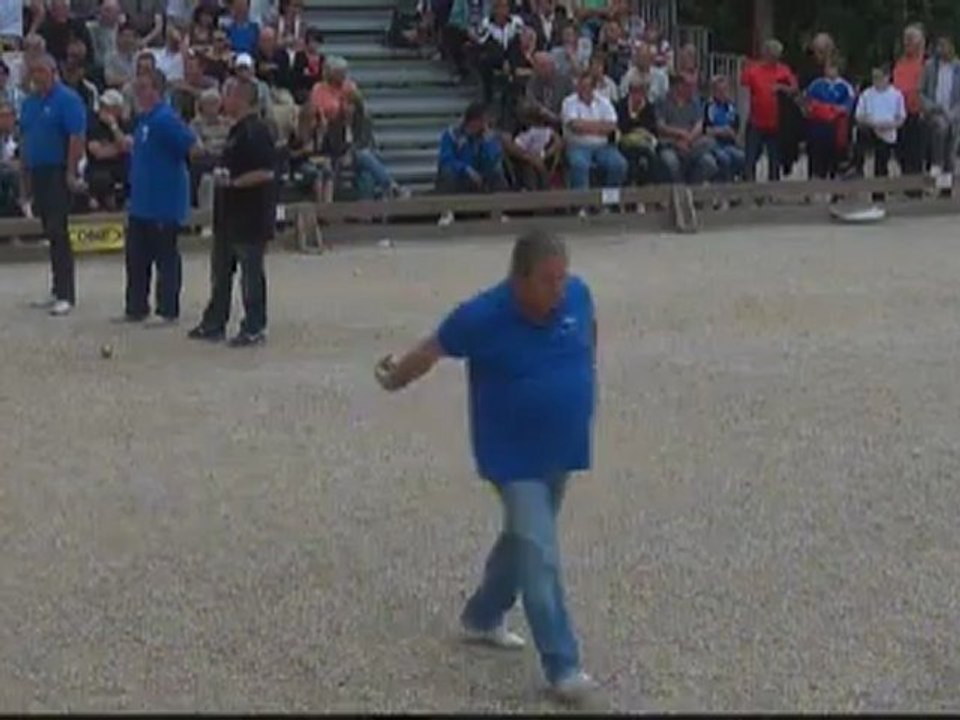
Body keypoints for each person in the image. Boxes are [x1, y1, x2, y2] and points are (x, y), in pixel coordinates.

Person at [374, 229, 600, 706]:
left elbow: (588, 338)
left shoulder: (578, 297)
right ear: (519, 279)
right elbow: (431, 350)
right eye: (548, 280)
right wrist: (393, 378)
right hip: (511, 456)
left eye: (562, 277)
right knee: (539, 551)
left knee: (523, 540)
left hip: (562, 449)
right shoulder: (482, 316)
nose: (559, 289)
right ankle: (563, 666)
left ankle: (482, 616)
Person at [189, 75, 277, 348]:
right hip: (228, 215)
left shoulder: (257, 131)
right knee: (221, 273)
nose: (225, 101)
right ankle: (214, 322)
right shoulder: (236, 131)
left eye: (229, 95)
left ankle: (254, 327)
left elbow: (266, 172)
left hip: (250, 216)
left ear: (242, 99)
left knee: (250, 276)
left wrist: (234, 183)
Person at [123, 68, 196, 324]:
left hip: (163, 202)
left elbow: (189, 143)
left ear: (157, 90)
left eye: (144, 88)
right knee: (136, 258)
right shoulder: (144, 120)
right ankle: (136, 307)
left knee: (165, 258)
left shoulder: (165, 118)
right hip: (141, 203)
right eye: (138, 88)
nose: (139, 93)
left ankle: (167, 310)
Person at [20, 53, 86, 317]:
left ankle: (66, 293)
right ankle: (57, 288)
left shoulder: (67, 99)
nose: (36, 77)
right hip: (37, 170)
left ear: (52, 72)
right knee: (49, 229)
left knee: (59, 230)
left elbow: (75, 137)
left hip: (57, 171)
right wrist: (25, 178)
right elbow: (26, 138)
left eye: (41, 71)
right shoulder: (30, 103)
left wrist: (70, 172)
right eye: (33, 72)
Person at [740, 38, 797, 182]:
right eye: (772, 55)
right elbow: (744, 95)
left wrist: (782, 88)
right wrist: (743, 118)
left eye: (777, 55)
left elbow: (794, 89)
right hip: (756, 121)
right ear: (765, 54)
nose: (775, 59)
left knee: (774, 160)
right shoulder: (752, 71)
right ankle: (749, 184)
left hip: (776, 123)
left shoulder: (784, 70)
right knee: (751, 157)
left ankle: (773, 188)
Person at [561, 69, 627, 192]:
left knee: (619, 164)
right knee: (579, 165)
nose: (583, 90)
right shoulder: (569, 102)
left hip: (603, 146)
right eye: (580, 86)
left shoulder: (604, 102)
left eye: (587, 86)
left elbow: (612, 126)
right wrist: (600, 127)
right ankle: (581, 202)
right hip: (577, 146)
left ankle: (609, 199)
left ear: (594, 87)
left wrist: (585, 126)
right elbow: (575, 126)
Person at [853, 65, 906, 180]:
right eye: (874, 77)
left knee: (882, 160)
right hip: (870, 130)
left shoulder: (896, 95)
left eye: (879, 77)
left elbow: (901, 118)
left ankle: (881, 181)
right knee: (861, 133)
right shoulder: (866, 94)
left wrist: (888, 125)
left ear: (887, 77)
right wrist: (872, 124)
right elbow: (858, 116)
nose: (876, 80)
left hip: (888, 132)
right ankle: (858, 169)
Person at [920, 36, 960, 178]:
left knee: (950, 144)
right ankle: (937, 162)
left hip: (954, 113)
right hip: (934, 111)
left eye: (944, 46)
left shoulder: (958, 67)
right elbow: (921, 92)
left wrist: (953, 113)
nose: (941, 50)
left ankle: (946, 180)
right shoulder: (929, 66)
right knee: (941, 126)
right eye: (939, 46)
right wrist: (932, 107)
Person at [894, 24, 926, 176]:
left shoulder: (926, 63)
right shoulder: (900, 63)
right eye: (905, 39)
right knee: (901, 149)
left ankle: (916, 179)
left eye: (911, 39)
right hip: (900, 111)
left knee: (915, 148)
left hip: (919, 111)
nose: (907, 43)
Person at [703, 74, 744, 182]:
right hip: (713, 144)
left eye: (725, 90)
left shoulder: (731, 107)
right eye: (719, 91)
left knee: (741, 157)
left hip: (729, 143)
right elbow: (705, 130)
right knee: (724, 158)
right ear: (714, 92)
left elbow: (735, 130)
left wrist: (732, 134)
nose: (723, 94)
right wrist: (720, 131)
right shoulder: (708, 107)